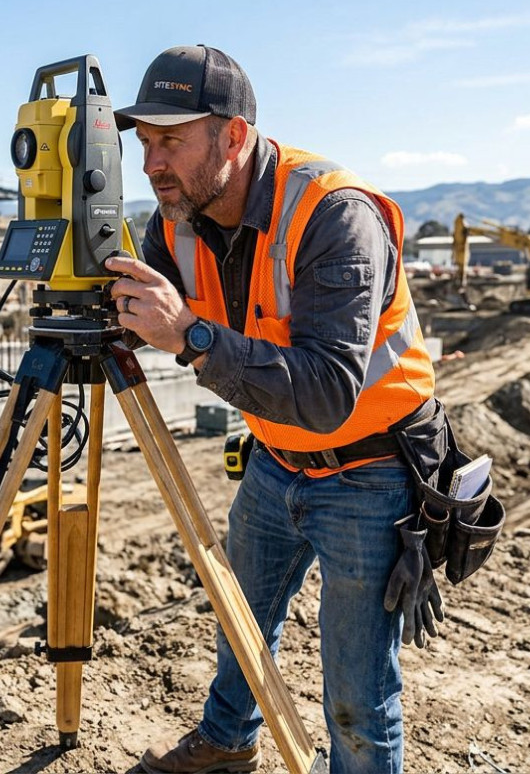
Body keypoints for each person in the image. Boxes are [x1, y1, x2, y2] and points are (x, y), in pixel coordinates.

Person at [107, 45, 438, 774]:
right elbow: (151, 310)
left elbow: (324, 392)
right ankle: (229, 741)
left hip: (368, 470)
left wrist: (189, 335)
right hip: (273, 462)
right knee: (239, 616)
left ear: (233, 136)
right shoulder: (176, 221)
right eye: (144, 143)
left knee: (357, 686)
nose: (151, 163)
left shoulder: (333, 215)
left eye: (171, 140)